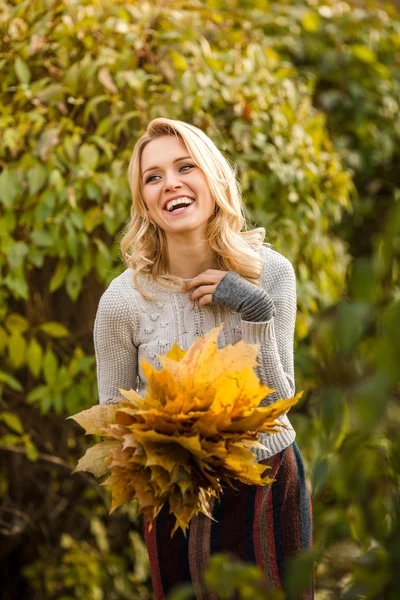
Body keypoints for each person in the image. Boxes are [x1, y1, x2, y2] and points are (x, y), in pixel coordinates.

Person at [93, 118, 313, 599]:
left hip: (267, 479)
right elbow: (112, 424)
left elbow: (278, 403)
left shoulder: (270, 272)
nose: (170, 182)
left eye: (184, 166)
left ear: (213, 178)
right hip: (177, 498)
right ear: (146, 202)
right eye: (153, 177)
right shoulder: (122, 302)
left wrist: (253, 307)